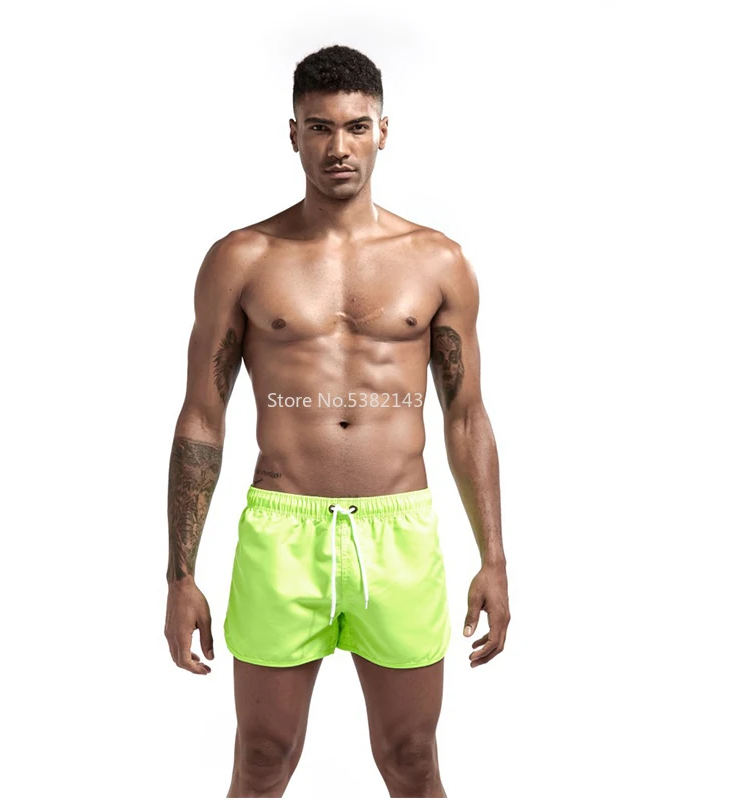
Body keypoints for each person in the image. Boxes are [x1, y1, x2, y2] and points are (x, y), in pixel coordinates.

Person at [164, 44, 510, 798]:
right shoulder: (242, 258)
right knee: (262, 758)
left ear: (384, 131)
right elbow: (202, 417)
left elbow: (466, 416)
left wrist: (495, 558)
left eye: (356, 126)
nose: (338, 147)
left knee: (412, 758)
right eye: (320, 128)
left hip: (400, 530)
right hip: (282, 530)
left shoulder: (438, 260)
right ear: (293, 134)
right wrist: (180, 575)